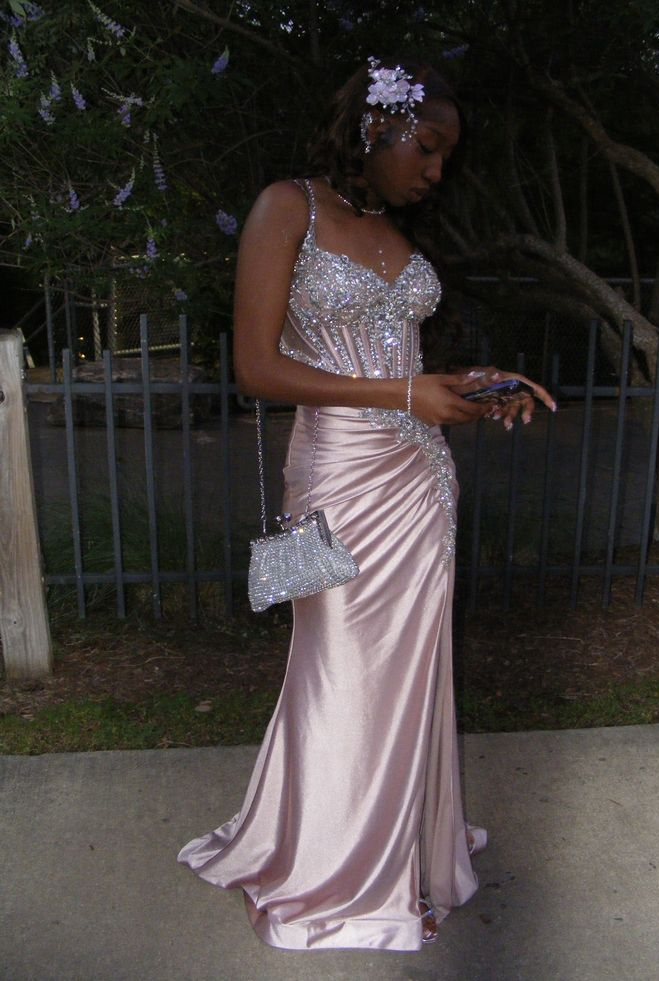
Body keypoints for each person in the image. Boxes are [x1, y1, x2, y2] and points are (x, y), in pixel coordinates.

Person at [177, 55, 556, 951]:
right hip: (338, 479)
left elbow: (403, 364)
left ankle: (406, 855)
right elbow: (257, 367)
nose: (437, 169)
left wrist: (467, 385)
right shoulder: (288, 208)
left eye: (447, 155)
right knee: (338, 668)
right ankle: (335, 872)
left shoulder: (396, 230)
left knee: (410, 671)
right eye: (428, 147)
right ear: (375, 126)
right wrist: (405, 394)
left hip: (421, 481)